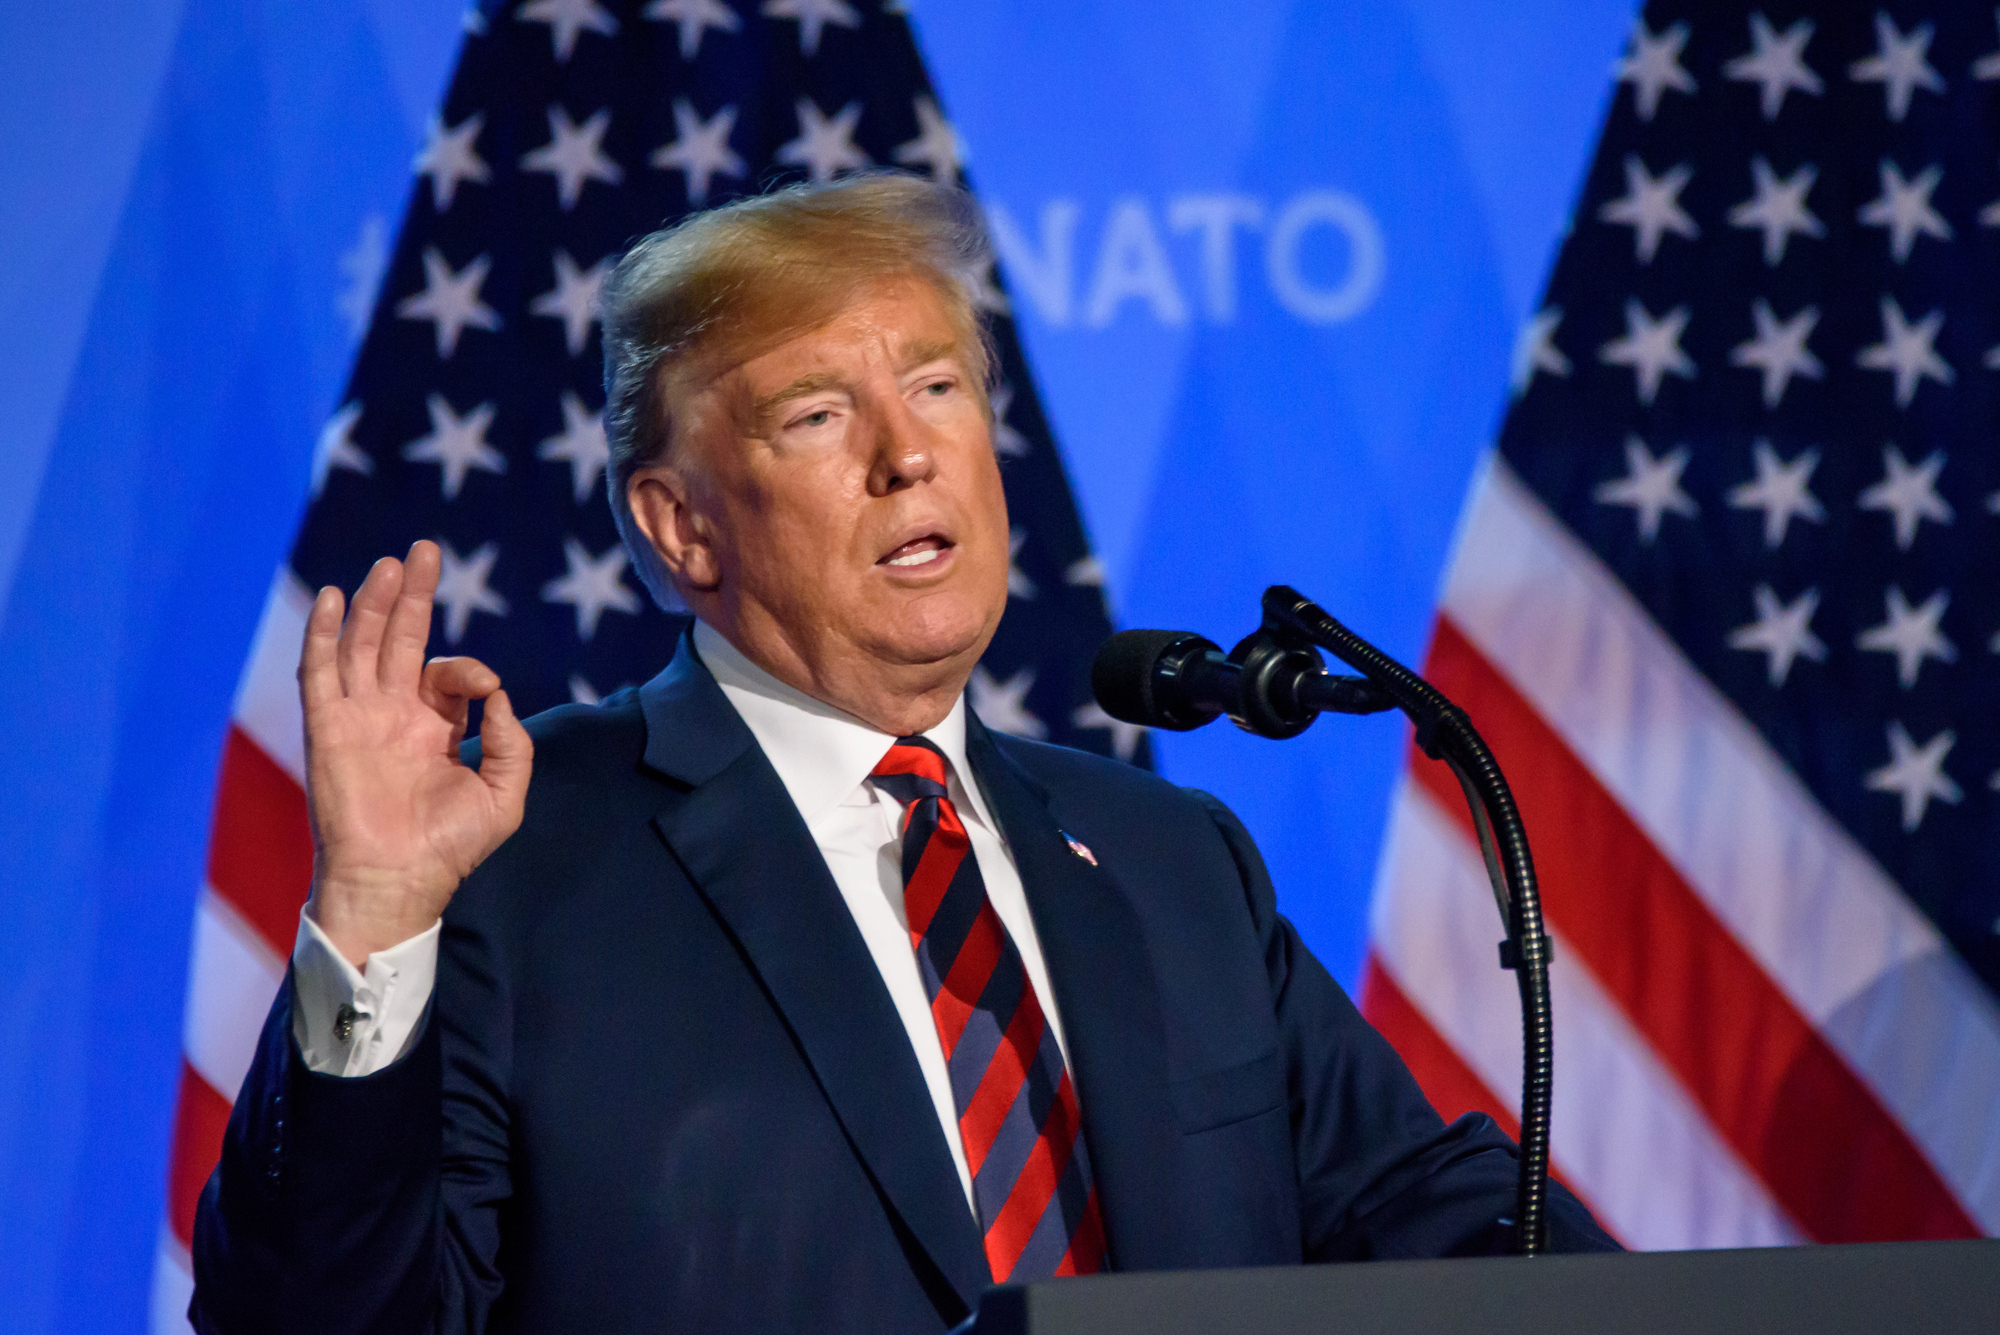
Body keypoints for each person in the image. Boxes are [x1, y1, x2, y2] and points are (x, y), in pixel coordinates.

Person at [191, 174, 1614, 1335]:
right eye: (817, 416)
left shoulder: (1174, 862)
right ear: (684, 528)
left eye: (936, 388)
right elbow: (317, 1326)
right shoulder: (518, 856)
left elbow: (1450, 1230)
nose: (908, 454)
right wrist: (376, 918)